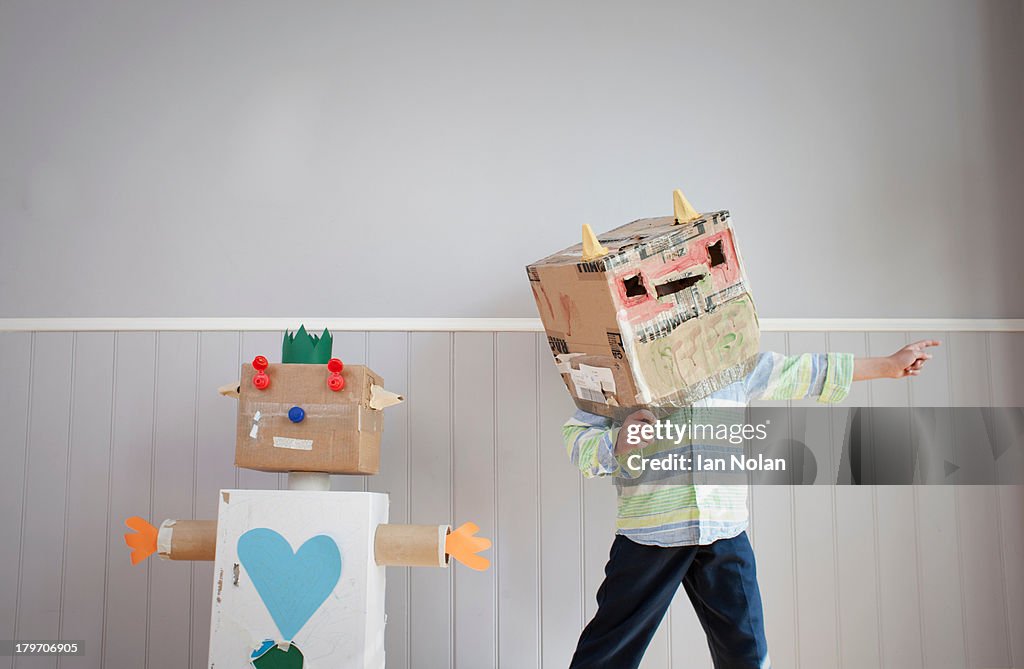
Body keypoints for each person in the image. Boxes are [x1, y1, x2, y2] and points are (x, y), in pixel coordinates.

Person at [564, 340, 940, 669]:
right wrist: (619, 441)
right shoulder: (620, 372)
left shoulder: (733, 364)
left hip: (724, 531)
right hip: (650, 534)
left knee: (747, 651)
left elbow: (804, 371)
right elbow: (577, 435)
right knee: (608, 651)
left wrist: (887, 366)